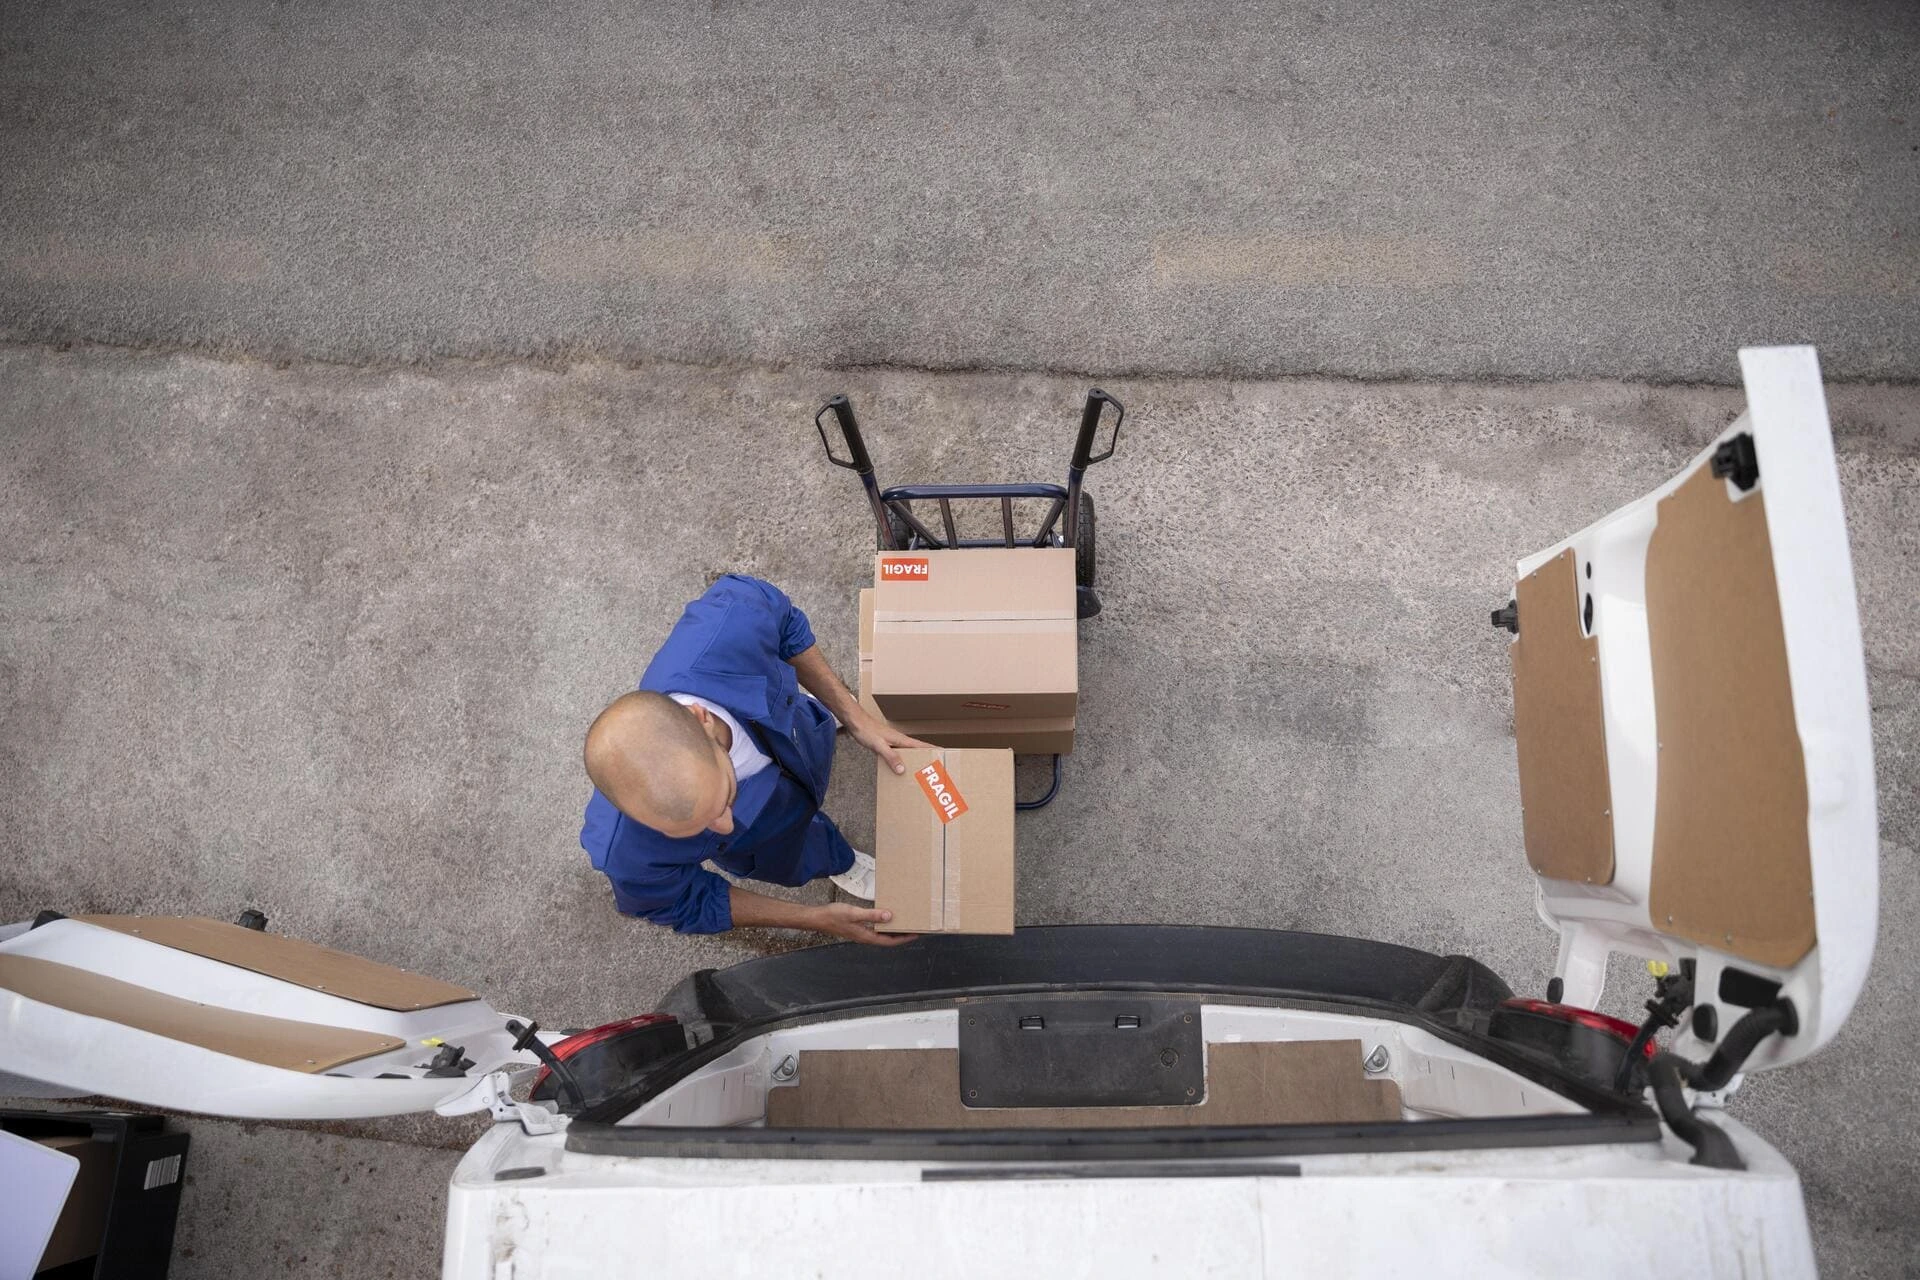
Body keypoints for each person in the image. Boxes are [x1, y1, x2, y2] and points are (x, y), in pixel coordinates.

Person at [580, 575, 930, 945]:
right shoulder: (625, 853)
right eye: (702, 828)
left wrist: (858, 719)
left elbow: (786, 625)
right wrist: (817, 918)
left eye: (727, 796)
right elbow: (683, 902)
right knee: (807, 849)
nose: (729, 825)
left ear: (701, 719)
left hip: (800, 736)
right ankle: (841, 862)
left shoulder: (730, 623)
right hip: (774, 838)